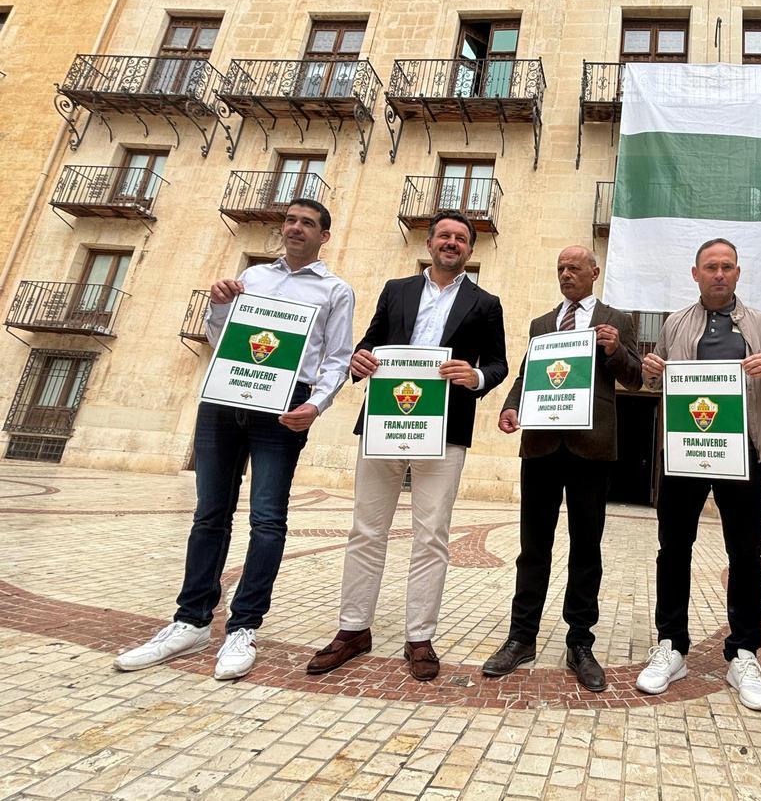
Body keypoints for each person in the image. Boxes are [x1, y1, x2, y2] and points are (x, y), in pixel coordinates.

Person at [115, 199, 355, 679]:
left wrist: (317, 405)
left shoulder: (336, 290)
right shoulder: (254, 278)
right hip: (225, 400)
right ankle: (190, 621)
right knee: (209, 514)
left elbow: (338, 355)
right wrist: (219, 305)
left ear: (324, 236)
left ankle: (243, 626)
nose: (295, 228)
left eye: (307, 223)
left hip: (285, 405)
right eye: (290, 220)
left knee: (267, 519)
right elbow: (222, 336)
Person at [306, 211, 508, 680]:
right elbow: (370, 346)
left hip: (445, 429)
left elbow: (497, 363)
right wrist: (360, 360)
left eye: (461, 238)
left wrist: (475, 376)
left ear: (470, 250)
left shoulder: (486, 303)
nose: (451, 242)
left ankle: (419, 636)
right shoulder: (396, 290)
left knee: (432, 535)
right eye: (444, 235)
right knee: (365, 529)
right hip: (383, 422)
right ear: (430, 242)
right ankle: (353, 629)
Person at [635, 238, 761, 712]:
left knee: (746, 552)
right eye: (711, 267)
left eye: (727, 267)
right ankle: (672, 646)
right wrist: (651, 370)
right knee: (673, 547)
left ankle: (744, 652)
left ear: (738, 273)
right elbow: (655, 381)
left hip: (743, 449)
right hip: (685, 450)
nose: (719, 274)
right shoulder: (675, 323)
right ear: (696, 273)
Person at [482, 246, 642, 692]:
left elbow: (635, 378)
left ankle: (580, 643)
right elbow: (526, 375)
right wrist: (512, 407)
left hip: (592, 447)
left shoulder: (618, 319)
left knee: (586, 549)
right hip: (541, 445)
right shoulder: (541, 324)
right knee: (533, 547)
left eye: (573, 268)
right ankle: (521, 637)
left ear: (594, 272)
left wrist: (613, 351)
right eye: (559, 269)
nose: (566, 274)